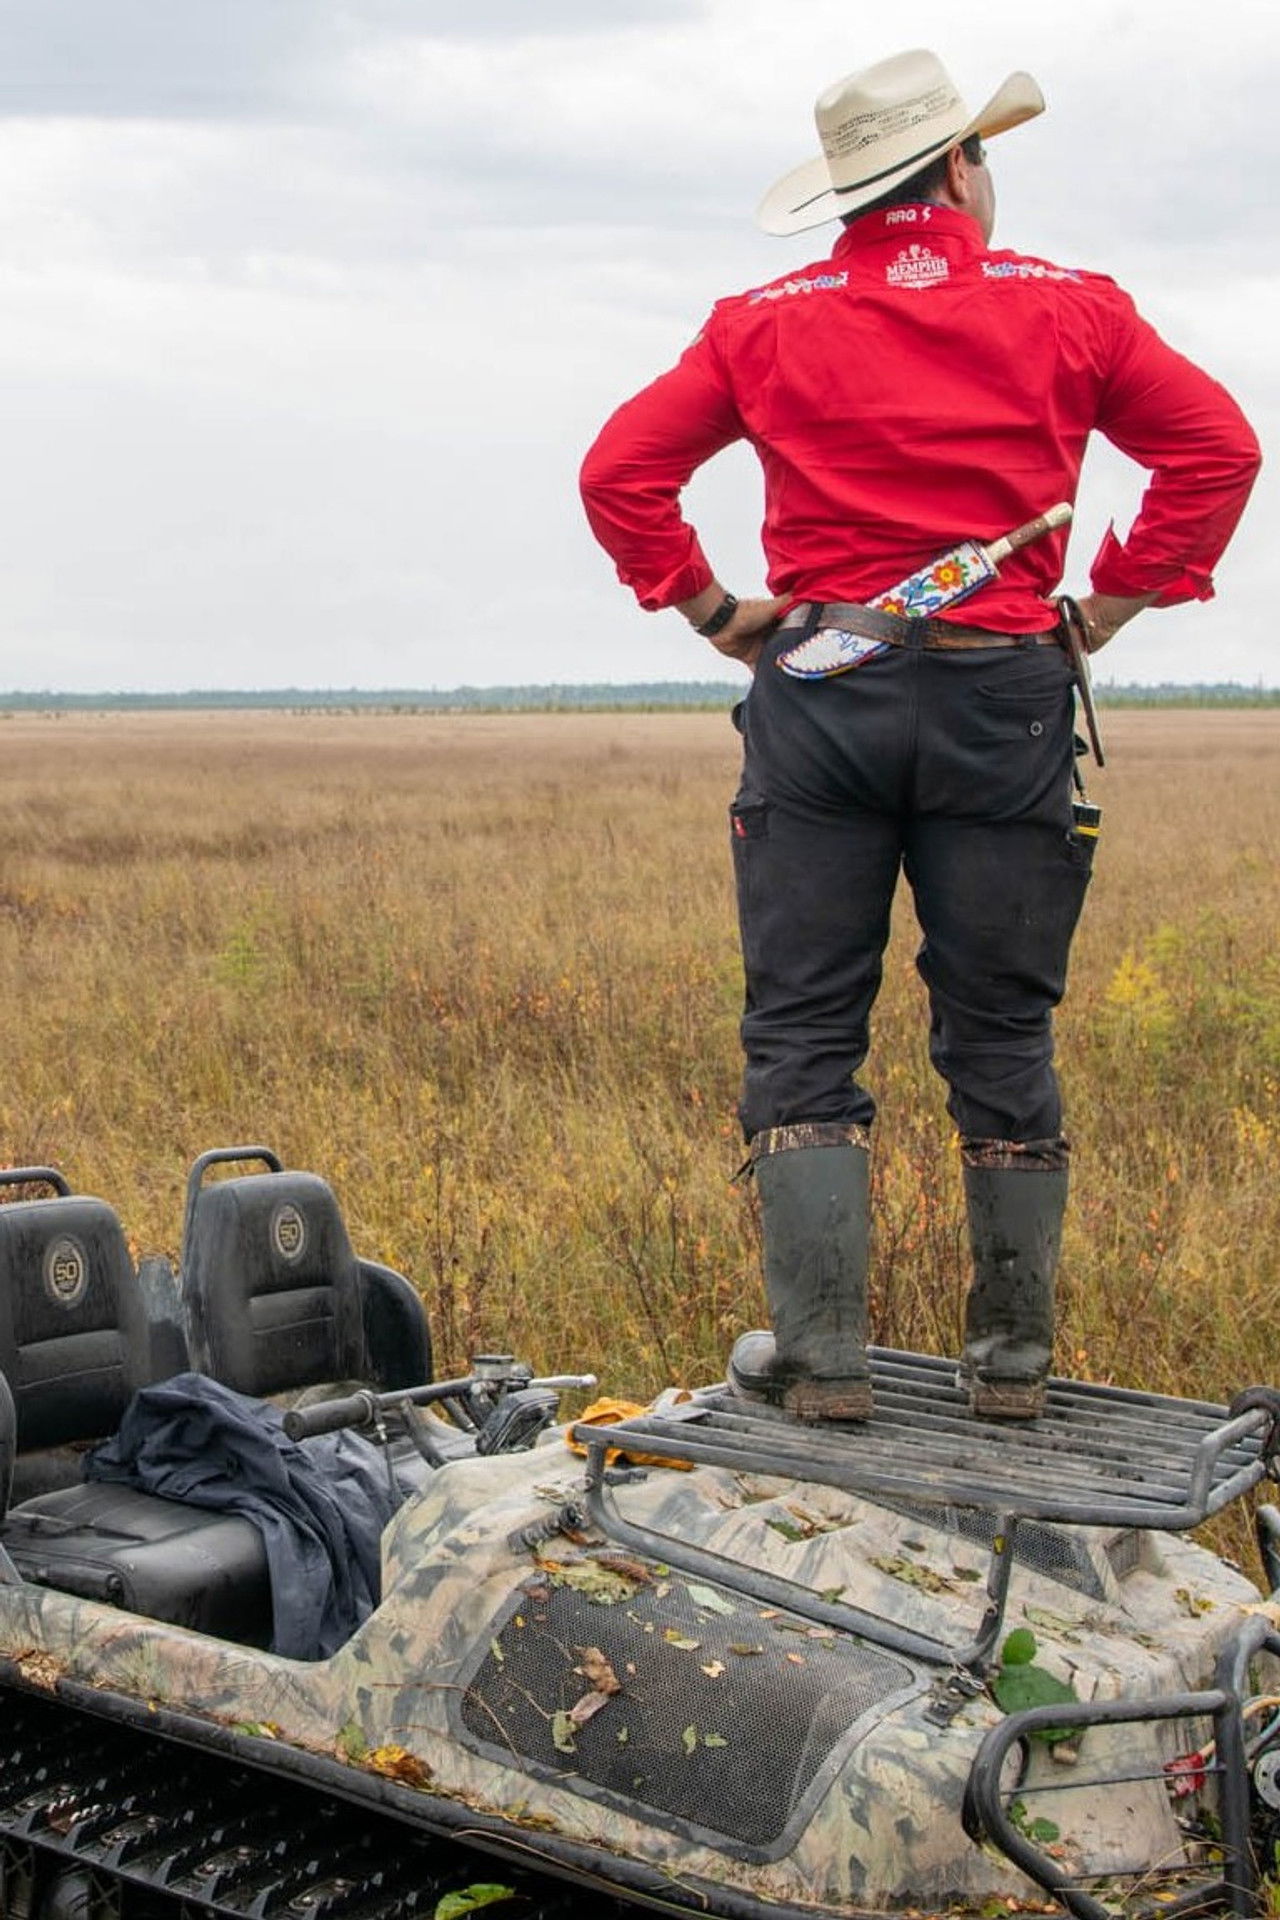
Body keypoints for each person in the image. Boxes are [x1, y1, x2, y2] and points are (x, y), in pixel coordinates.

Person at [579, 49, 1260, 1423]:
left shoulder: (761, 321)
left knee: (804, 1032)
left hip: (824, 692)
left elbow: (619, 473)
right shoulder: (1073, 308)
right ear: (961, 169)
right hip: (1003, 696)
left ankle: (824, 1365)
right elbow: (1219, 453)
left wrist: (712, 608)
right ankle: (1009, 1370)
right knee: (1002, 1032)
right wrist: (1114, 604)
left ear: (849, 195)